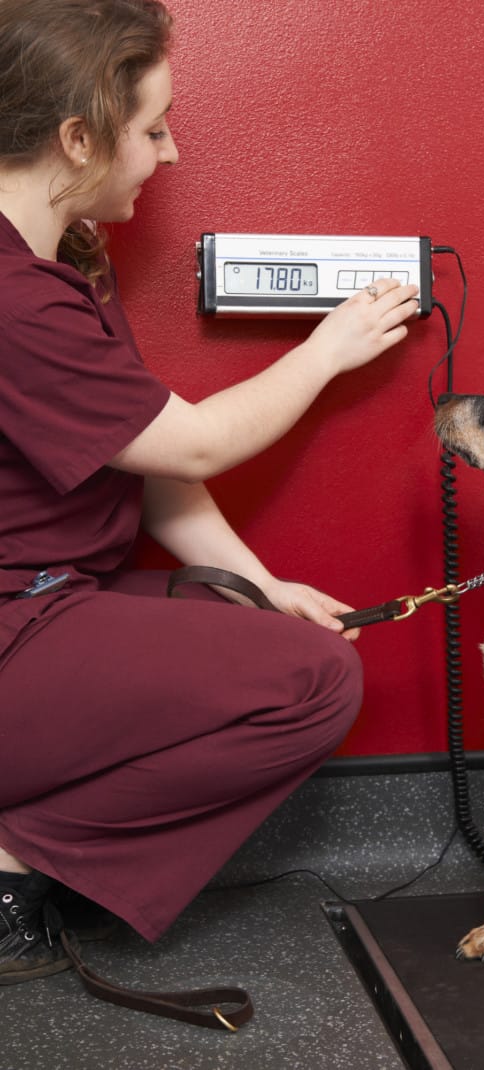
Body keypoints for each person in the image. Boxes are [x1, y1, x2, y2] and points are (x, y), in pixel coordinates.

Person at [0, 0, 419, 984]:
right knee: (315, 682)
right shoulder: (11, 298)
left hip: (51, 608)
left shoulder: (62, 269)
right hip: (16, 627)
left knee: (293, 647)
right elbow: (191, 443)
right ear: (77, 136)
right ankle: (11, 861)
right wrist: (326, 351)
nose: (171, 152)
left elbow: (154, 475)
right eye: (150, 130)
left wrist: (265, 586)